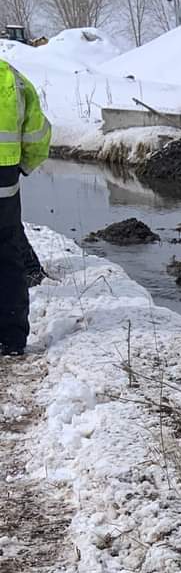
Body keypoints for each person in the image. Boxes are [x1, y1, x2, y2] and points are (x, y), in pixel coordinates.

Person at [0, 59, 51, 357]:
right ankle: (11, 338)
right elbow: (38, 133)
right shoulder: (12, 78)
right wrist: (24, 166)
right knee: (7, 254)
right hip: (5, 181)